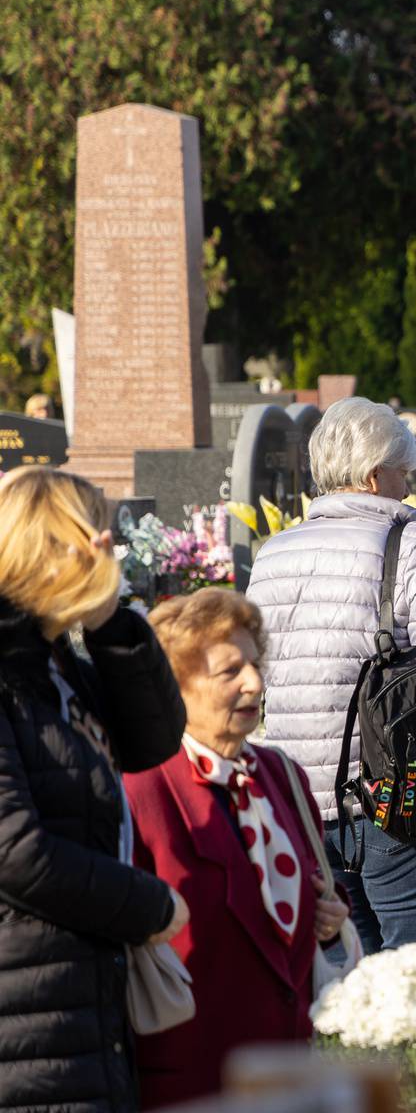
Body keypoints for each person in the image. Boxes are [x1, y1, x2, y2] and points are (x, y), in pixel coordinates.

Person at [248, 397, 416, 952]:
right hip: (394, 797)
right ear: (374, 476)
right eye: (403, 472)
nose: (408, 484)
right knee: (414, 973)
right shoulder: (413, 544)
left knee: (342, 974)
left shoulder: (274, 553)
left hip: (302, 801)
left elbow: (263, 674)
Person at [0, 468, 187, 1112]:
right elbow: (15, 852)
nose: (112, 542)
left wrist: (112, 626)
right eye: (97, 528)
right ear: (57, 541)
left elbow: (153, 741)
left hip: (74, 1001)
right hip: (26, 1022)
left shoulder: (52, 663)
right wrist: (148, 906)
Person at [128, 590, 350, 1108]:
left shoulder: (281, 775)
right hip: (195, 1080)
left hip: (294, 1068)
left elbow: (309, 890)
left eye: (254, 664)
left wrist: (333, 913)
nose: (254, 682)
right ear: (175, 685)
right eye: (230, 671)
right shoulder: (140, 788)